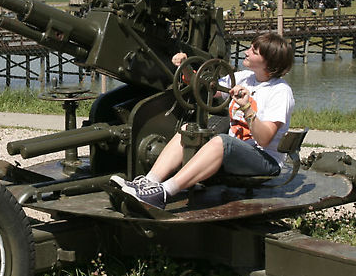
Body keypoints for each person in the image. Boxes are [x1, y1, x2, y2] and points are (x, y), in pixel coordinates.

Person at [111, 32, 295, 210]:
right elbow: (207, 87)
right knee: (188, 130)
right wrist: (185, 68)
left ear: (269, 63)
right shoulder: (244, 78)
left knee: (221, 143)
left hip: (265, 160)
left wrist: (247, 108)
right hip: (238, 151)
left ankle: (163, 193)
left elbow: (264, 139)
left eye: (254, 51)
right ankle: (148, 183)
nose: (246, 52)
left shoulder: (280, 92)